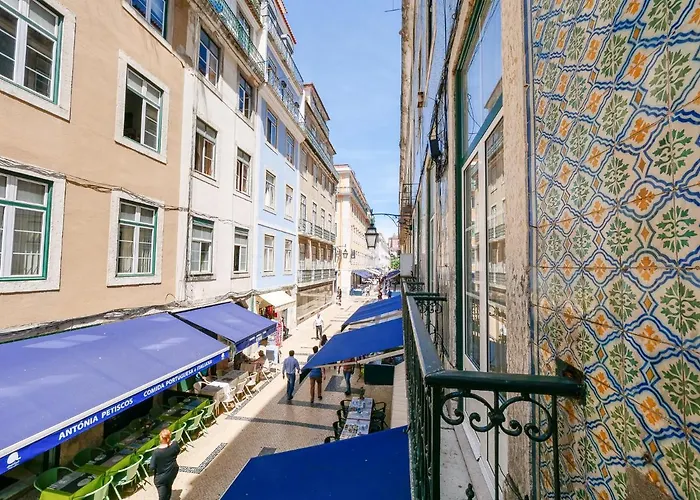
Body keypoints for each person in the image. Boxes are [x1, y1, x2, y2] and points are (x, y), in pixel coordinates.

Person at [150, 428, 179, 500]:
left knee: (162, 496)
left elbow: (152, 467)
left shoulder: (157, 452)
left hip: (161, 477)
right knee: (169, 487)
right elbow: (178, 451)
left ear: (161, 438)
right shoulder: (175, 445)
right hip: (173, 471)